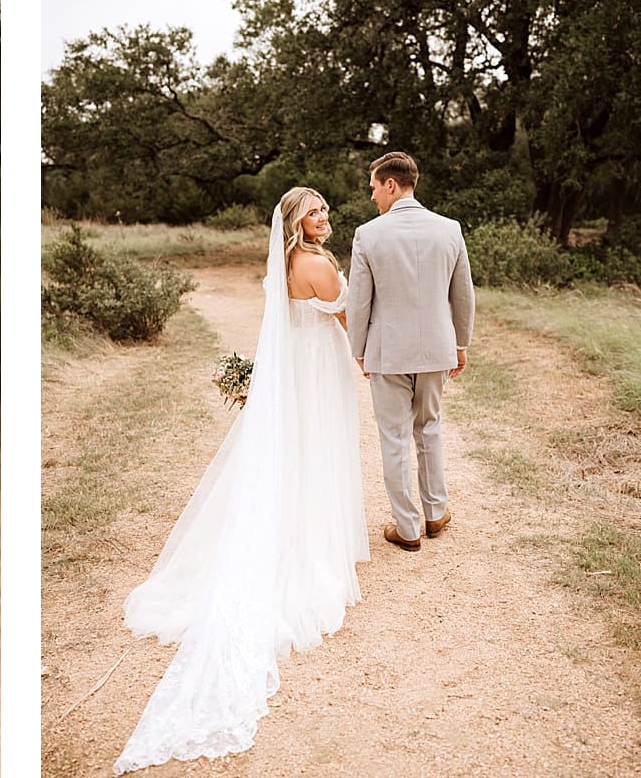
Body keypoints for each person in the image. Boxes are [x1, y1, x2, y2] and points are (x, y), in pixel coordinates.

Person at [114, 186, 369, 773]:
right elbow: (346, 317)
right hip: (317, 364)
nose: (324, 217)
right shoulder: (315, 265)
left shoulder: (283, 263)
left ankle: (303, 520)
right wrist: (365, 351)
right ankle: (313, 538)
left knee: (301, 447)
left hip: (296, 363)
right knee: (319, 444)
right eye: (315, 212)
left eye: (325, 209)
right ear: (297, 222)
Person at [347, 151, 475, 552]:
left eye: (374, 187)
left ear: (391, 184)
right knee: (429, 427)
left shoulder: (368, 234)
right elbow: (463, 294)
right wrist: (460, 343)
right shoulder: (449, 229)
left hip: (388, 352)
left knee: (394, 438)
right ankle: (435, 514)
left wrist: (358, 349)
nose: (372, 196)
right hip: (437, 349)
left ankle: (406, 527)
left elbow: (358, 301)